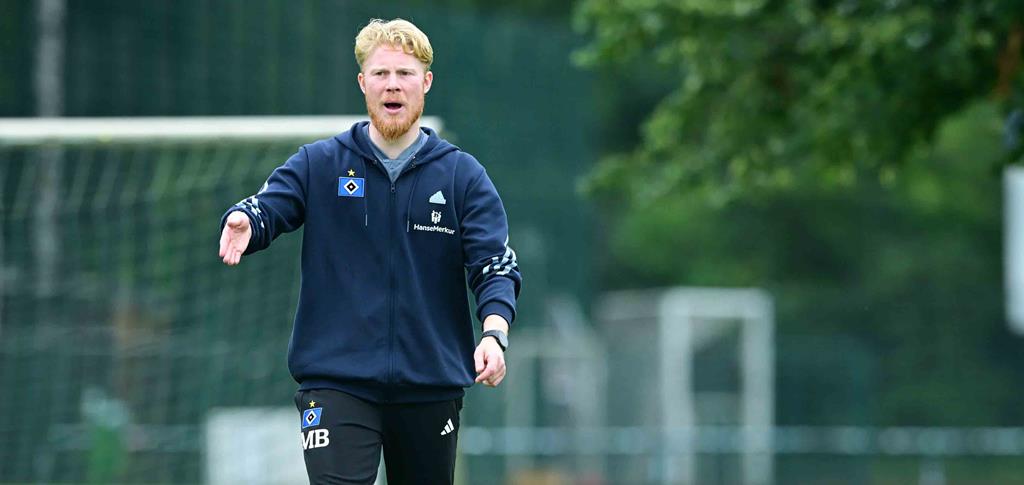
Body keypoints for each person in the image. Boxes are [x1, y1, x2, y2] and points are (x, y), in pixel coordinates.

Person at [217, 18, 521, 485]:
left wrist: (494, 334)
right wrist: (246, 219)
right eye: (381, 73)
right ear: (363, 83)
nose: (392, 84)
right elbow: (271, 205)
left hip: (430, 385)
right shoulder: (320, 163)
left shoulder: (462, 176)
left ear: (426, 83)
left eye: (404, 74)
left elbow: (493, 264)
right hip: (336, 383)